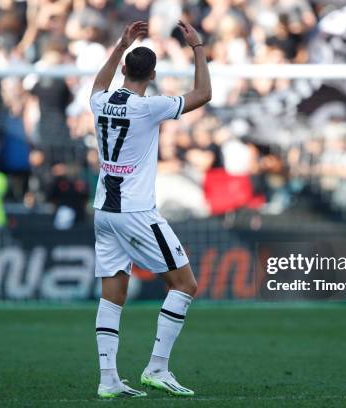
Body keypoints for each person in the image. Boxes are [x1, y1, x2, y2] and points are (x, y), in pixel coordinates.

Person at [89, 21, 211, 398]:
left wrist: (120, 45)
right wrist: (198, 47)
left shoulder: (99, 102)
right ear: (153, 75)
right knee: (185, 285)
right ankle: (157, 367)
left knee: (113, 294)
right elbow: (204, 93)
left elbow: (97, 84)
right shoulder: (150, 107)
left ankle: (108, 379)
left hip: (103, 212)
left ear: (124, 69)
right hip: (136, 212)